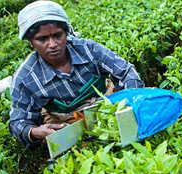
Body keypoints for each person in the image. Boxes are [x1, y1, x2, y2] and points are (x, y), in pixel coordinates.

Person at [8, 0, 144, 147]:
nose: (52, 44)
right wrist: (35, 132)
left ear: (66, 33)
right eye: (42, 39)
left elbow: (126, 72)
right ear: (31, 42)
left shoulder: (88, 49)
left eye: (57, 35)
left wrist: (129, 103)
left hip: (107, 106)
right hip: (66, 125)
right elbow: (18, 122)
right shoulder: (26, 78)